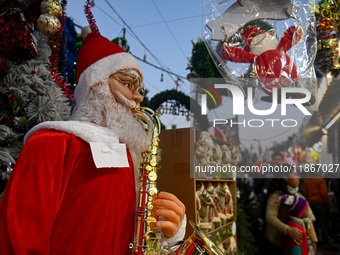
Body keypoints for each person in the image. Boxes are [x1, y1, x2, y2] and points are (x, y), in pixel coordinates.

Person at [0, 28, 186, 254]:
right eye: (128, 84)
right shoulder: (52, 143)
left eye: (140, 90)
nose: (138, 98)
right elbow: (17, 239)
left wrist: (165, 227)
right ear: (95, 83)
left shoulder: (131, 156)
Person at [265, 172, 318, 255]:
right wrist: (287, 230)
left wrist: (313, 240)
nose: (298, 178)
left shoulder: (299, 194)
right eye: (295, 174)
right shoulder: (277, 195)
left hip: (299, 240)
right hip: (279, 242)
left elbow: (308, 220)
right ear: (285, 177)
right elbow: (270, 216)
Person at [304, 177, 337, 251]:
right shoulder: (320, 180)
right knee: (324, 222)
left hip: (311, 203)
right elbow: (324, 193)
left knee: (314, 222)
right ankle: (325, 242)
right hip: (320, 202)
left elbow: (305, 192)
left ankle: (317, 241)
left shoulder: (307, 180)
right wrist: (327, 203)